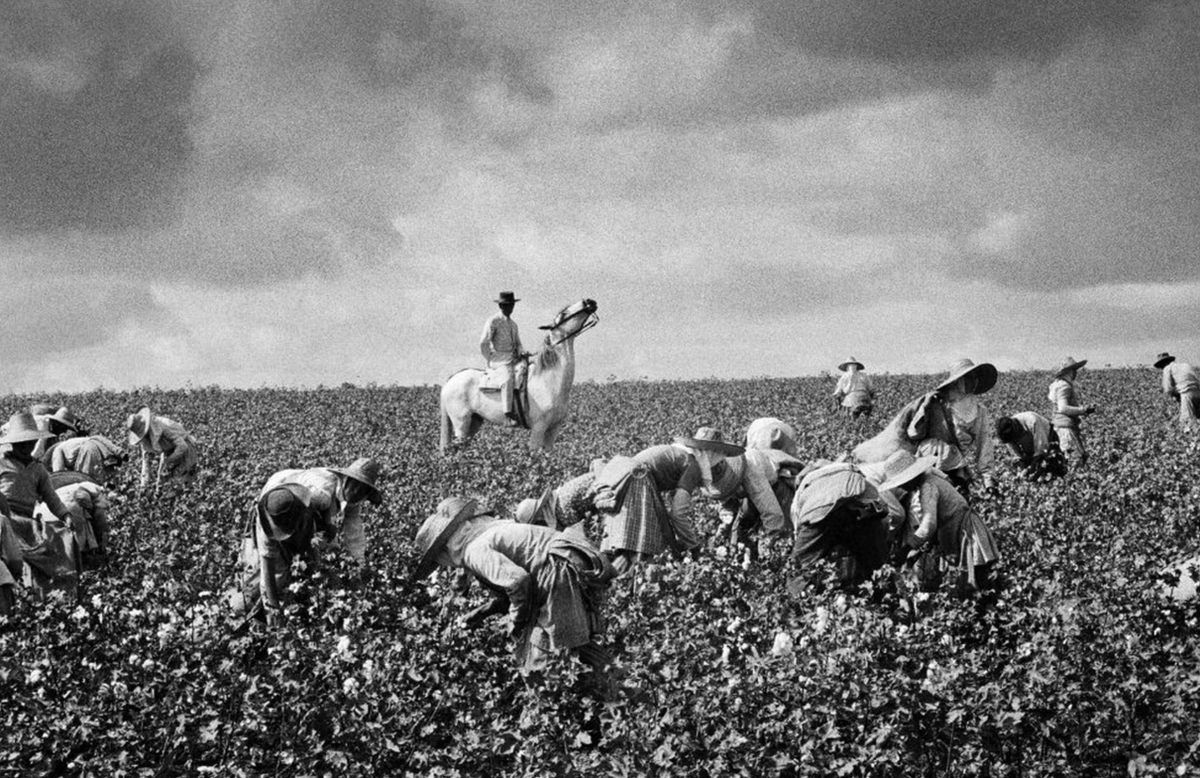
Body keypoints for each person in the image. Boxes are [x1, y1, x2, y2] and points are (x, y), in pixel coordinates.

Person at [412, 496, 616, 691]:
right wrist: (483, 612)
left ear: (446, 548)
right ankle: (616, 683)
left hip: (558, 572)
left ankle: (610, 691)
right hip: (572, 559)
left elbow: (518, 581)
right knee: (572, 644)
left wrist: (516, 621)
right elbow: (516, 583)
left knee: (542, 657)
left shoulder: (475, 550)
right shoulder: (494, 529)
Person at [589, 427, 742, 576]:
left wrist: (676, 544)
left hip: (620, 479)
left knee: (625, 542)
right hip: (636, 482)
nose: (720, 461)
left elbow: (663, 511)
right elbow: (677, 513)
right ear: (711, 453)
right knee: (640, 545)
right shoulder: (692, 465)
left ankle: (610, 584)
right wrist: (693, 546)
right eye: (721, 455)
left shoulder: (677, 453)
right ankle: (616, 585)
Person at [854, 358, 999, 496]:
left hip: (956, 466)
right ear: (956, 381)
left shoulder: (980, 411)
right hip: (928, 463)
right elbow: (912, 433)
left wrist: (989, 481)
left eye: (974, 377)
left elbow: (984, 443)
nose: (972, 381)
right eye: (968, 377)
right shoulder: (935, 403)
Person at [875, 450, 1000, 594]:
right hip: (957, 530)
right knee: (972, 579)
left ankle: (991, 609)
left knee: (979, 579)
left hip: (966, 531)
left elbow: (929, 524)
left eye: (902, 483)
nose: (901, 487)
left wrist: (906, 549)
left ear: (910, 477)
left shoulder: (928, 487)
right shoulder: (930, 478)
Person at [0, 411, 84, 603]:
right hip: (5, 519)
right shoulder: (1, 463)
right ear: (12, 443)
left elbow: (51, 497)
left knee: (60, 542)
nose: (26, 447)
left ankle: (56, 597)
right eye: (21, 443)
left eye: (30, 443)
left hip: (27, 523)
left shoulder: (38, 469)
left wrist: (66, 515)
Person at [256, 458, 383, 569]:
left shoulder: (354, 498)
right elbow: (308, 522)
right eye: (355, 485)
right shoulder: (320, 492)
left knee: (320, 554)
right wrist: (326, 528)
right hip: (277, 497)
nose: (356, 492)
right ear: (346, 479)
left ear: (367, 494)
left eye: (363, 490)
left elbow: (354, 531)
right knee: (279, 561)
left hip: (306, 510)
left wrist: (358, 563)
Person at [706, 419, 805, 562]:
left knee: (782, 538)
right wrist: (722, 531)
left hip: (776, 486)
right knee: (740, 530)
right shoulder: (719, 467)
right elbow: (727, 504)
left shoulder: (751, 472)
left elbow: (773, 515)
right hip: (758, 466)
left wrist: (767, 551)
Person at [787, 460, 890, 595]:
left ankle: (795, 609)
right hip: (863, 507)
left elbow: (799, 530)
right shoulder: (851, 472)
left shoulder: (804, 490)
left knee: (798, 571)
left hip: (821, 510)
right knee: (877, 566)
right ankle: (886, 603)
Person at [480, 291, 526, 423]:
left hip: (513, 358)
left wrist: (522, 352)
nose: (510, 308)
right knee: (507, 378)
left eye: (511, 305)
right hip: (499, 360)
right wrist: (490, 358)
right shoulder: (493, 321)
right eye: (506, 305)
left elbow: (518, 343)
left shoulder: (513, 324)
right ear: (501, 306)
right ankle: (508, 413)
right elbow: (484, 342)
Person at [126, 407, 199, 488]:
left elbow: (182, 446)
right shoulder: (144, 440)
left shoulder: (162, 427)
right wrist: (144, 485)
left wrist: (168, 461)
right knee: (161, 483)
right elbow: (146, 461)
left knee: (179, 483)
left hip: (185, 450)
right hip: (168, 452)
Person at [1049, 356, 1096, 466]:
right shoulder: (1064, 386)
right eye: (1074, 370)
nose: (1076, 373)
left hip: (1059, 427)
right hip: (1065, 429)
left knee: (1069, 459)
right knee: (1072, 461)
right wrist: (1083, 410)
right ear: (1069, 372)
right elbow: (1063, 408)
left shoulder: (1058, 384)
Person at [994, 412, 1067, 481]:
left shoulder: (1032, 420)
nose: (1014, 439)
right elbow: (1016, 456)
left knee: (1054, 467)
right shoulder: (1006, 435)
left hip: (1049, 441)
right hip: (1030, 450)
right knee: (1030, 475)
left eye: (1014, 437)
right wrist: (1022, 469)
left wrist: (1030, 468)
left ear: (1015, 426)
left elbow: (1041, 450)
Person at [47, 433, 128, 485]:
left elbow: (59, 475)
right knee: (102, 483)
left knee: (86, 484)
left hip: (88, 451)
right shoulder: (70, 443)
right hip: (102, 451)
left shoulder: (57, 450)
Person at [1155, 352, 1200, 432]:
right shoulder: (1186, 365)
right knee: (1197, 418)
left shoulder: (1167, 368)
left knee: (1187, 421)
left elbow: (1168, 388)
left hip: (1187, 394)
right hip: (1198, 391)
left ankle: (1190, 440)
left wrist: (1174, 396)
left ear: (1163, 364)